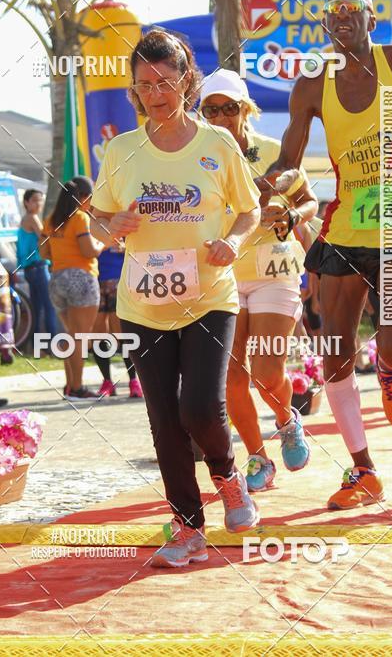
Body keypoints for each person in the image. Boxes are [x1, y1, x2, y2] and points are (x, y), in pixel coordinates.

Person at [257, 0, 392, 509]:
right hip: (345, 229)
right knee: (335, 352)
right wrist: (273, 183)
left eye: (353, 10)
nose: (342, 18)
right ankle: (363, 470)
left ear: (371, 20)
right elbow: (290, 157)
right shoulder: (313, 82)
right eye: (334, 12)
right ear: (326, 24)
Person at [90, 30, 262, 568]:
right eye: (145, 85)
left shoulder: (217, 144)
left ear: (186, 81)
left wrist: (231, 243)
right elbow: (97, 222)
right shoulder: (121, 150)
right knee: (164, 420)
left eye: (166, 82)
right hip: (143, 305)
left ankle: (229, 476)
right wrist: (109, 224)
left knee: (201, 407)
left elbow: (249, 210)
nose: (156, 94)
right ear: (134, 90)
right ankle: (188, 527)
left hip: (210, 296)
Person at [199, 69, 317, 492]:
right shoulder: (198, 156)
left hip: (274, 270)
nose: (220, 116)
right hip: (223, 275)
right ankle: (256, 458)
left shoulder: (272, 151)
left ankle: (287, 419)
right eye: (210, 109)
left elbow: (309, 201)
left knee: (267, 372)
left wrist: (289, 215)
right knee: (231, 378)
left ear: (245, 109)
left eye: (229, 108)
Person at [40, 177, 103, 400]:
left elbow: (44, 253)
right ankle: (77, 388)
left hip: (57, 279)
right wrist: (104, 242)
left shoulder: (50, 220)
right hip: (82, 278)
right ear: (84, 198)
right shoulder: (80, 219)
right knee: (80, 337)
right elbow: (88, 251)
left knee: (71, 335)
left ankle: (70, 386)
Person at [92, 244, 143, 398]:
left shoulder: (122, 223)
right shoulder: (90, 225)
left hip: (119, 281)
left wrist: (126, 246)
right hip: (95, 280)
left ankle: (134, 381)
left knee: (122, 333)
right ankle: (107, 381)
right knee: (98, 334)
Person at [18, 189, 58, 347]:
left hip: (30, 269)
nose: (38, 203)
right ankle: (52, 345)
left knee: (36, 308)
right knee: (49, 306)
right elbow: (46, 237)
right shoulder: (32, 218)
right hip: (38, 267)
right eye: (34, 200)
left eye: (40, 200)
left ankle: (36, 346)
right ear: (26, 202)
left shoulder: (27, 218)